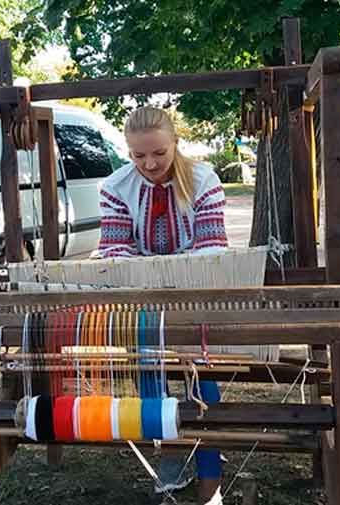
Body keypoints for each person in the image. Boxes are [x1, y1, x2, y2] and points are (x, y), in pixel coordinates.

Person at [97, 106, 227, 505]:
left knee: (202, 380)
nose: (149, 164)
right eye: (138, 156)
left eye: (159, 153)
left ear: (175, 144)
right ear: (128, 152)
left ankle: (211, 478)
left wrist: (151, 271)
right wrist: (147, 276)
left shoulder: (204, 181)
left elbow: (211, 253)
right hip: (142, 301)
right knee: (149, 374)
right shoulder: (116, 187)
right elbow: (113, 253)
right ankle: (170, 457)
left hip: (197, 294)